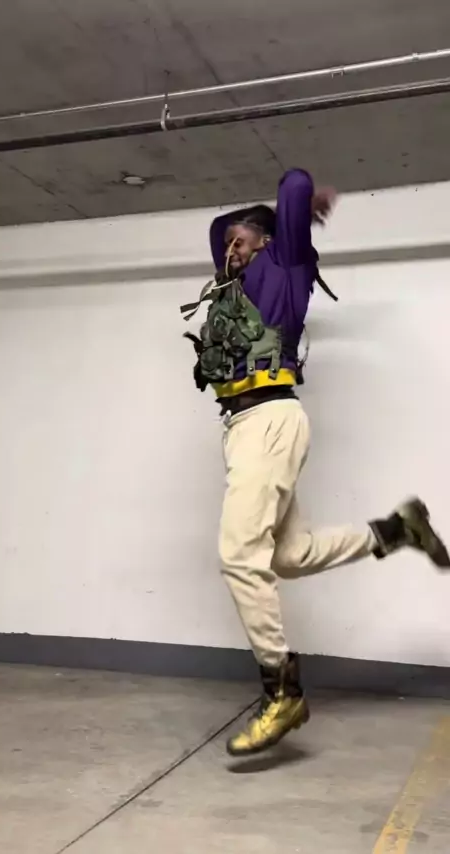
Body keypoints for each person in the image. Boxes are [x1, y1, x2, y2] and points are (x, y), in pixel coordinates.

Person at [181, 168, 450, 758]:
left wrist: (294, 217)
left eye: (242, 241)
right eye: (230, 243)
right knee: (288, 555)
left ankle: (283, 692)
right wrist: (243, 230)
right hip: (245, 427)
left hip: (269, 419)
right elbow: (217, 226)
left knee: (238, 555)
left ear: (269, 243)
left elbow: (296, 182)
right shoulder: (232, 284)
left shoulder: (285, 269)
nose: (229, 248)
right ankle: (396, 530)